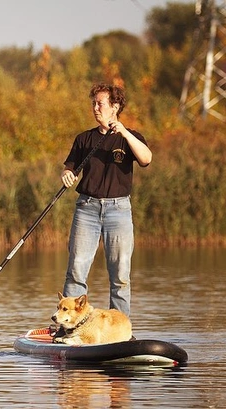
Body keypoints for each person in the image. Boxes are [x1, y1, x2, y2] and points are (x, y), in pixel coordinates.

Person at [60, 83, 152, 319]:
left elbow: (146, 159)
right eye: (93, 103)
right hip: (87, 209)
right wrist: (67, 175)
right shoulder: (84, 139)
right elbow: (69, 169)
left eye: (100, 103)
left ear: (115, 106)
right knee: (76, 270)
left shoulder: (130, 138)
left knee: (120, 274)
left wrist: (124, 133)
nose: (95, 108)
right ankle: (70, 324)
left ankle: (119, 327)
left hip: (118, 210)